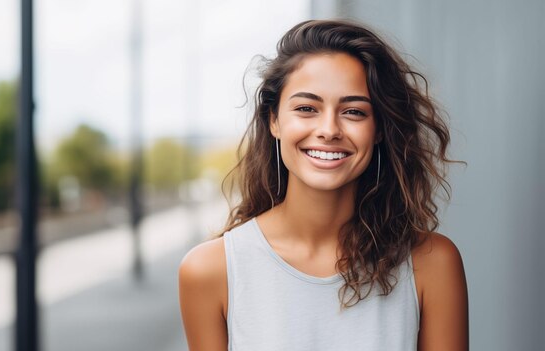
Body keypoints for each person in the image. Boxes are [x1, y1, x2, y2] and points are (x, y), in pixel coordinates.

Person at [178, 19, 468, 351]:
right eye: (306, 108)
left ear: (380, 130)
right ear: (274, 120)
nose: (329, 129)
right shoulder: (210, 270)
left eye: (354, 112)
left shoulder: (432, 262)